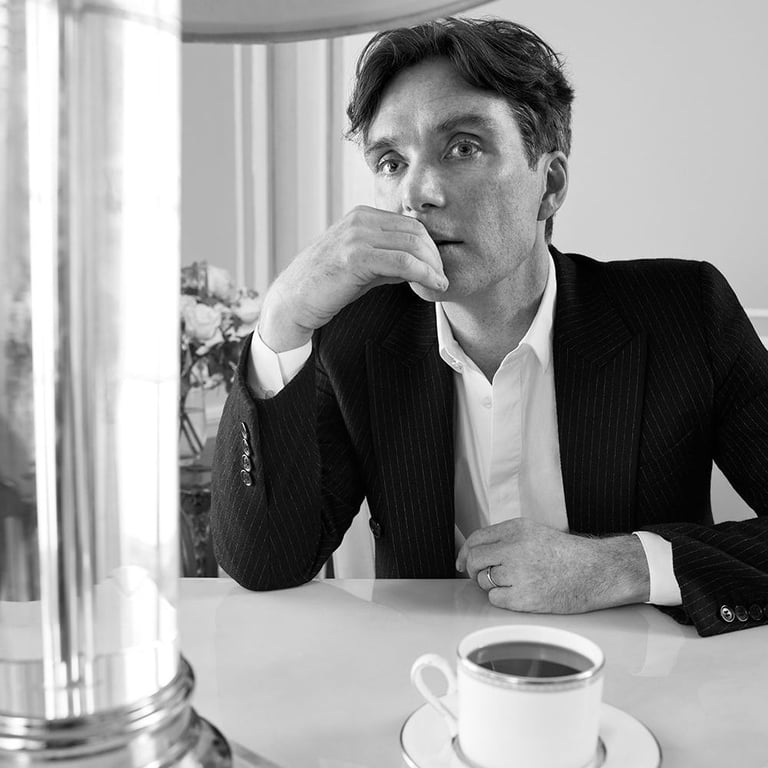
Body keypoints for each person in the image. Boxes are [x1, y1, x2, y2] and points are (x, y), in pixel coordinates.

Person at [210, 17, 768, 637]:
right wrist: (281, 320)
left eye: (463, 147)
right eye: (391, 161)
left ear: (549, 184)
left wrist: (624, 565)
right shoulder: (354, 336)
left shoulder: (687, 312)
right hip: (428, 685)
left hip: (650, 679)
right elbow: (264, 563)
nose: (416, 194)